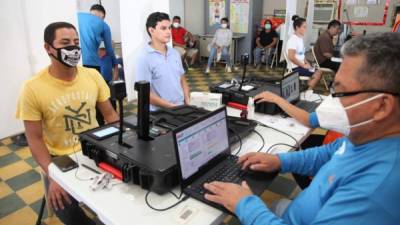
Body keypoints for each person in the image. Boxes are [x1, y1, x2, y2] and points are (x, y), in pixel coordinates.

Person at [203, 32, 400, 225]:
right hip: (295, 211)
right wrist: (279, 161)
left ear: (382, 106)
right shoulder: (367, 137)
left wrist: (245, 205)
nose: (332, 99)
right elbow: (329, 153)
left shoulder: (375, 192)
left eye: (341, 92)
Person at [15, 22, 119, 225]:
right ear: (48, 48)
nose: (73, 48)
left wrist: (125, 146)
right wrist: (53, 175)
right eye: (65, 43)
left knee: (121, 199)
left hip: (94, 148)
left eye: (76, 43)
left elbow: (111, 116)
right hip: (60, 159)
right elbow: (34, 139)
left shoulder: (92, 76)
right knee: (64, 206)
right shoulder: (33, 88)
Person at [135, 12, 190, 111]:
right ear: (151, 30)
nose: (169, 32)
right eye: (163, 28)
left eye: (169, 28)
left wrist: (188, 102)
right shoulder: (144, 58)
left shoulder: (175, 53)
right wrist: (172, 107)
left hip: (180, 108)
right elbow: (145, 93)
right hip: (160, 114)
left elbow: (182, 80)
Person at [78, 4, 117, 125]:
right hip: (92, 64)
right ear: (103, 16)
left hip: (76, 62)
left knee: (80, 95)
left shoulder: (77, 16)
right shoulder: (103, 25)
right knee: (97, 96)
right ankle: (99, 124)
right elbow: (110, 50)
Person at [286, 15, 322, 90]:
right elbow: (291, 57)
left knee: (316, 69)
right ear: (297, 28)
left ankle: (305, 88)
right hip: (295, 68)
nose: (306, 29)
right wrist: (303, 65)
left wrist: (307, 63)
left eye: (306, 27)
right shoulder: (293, 40)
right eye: (304, 27)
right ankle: (307, 91)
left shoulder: (300, 39)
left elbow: (301, 55)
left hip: (300, 66)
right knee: (318, 73)